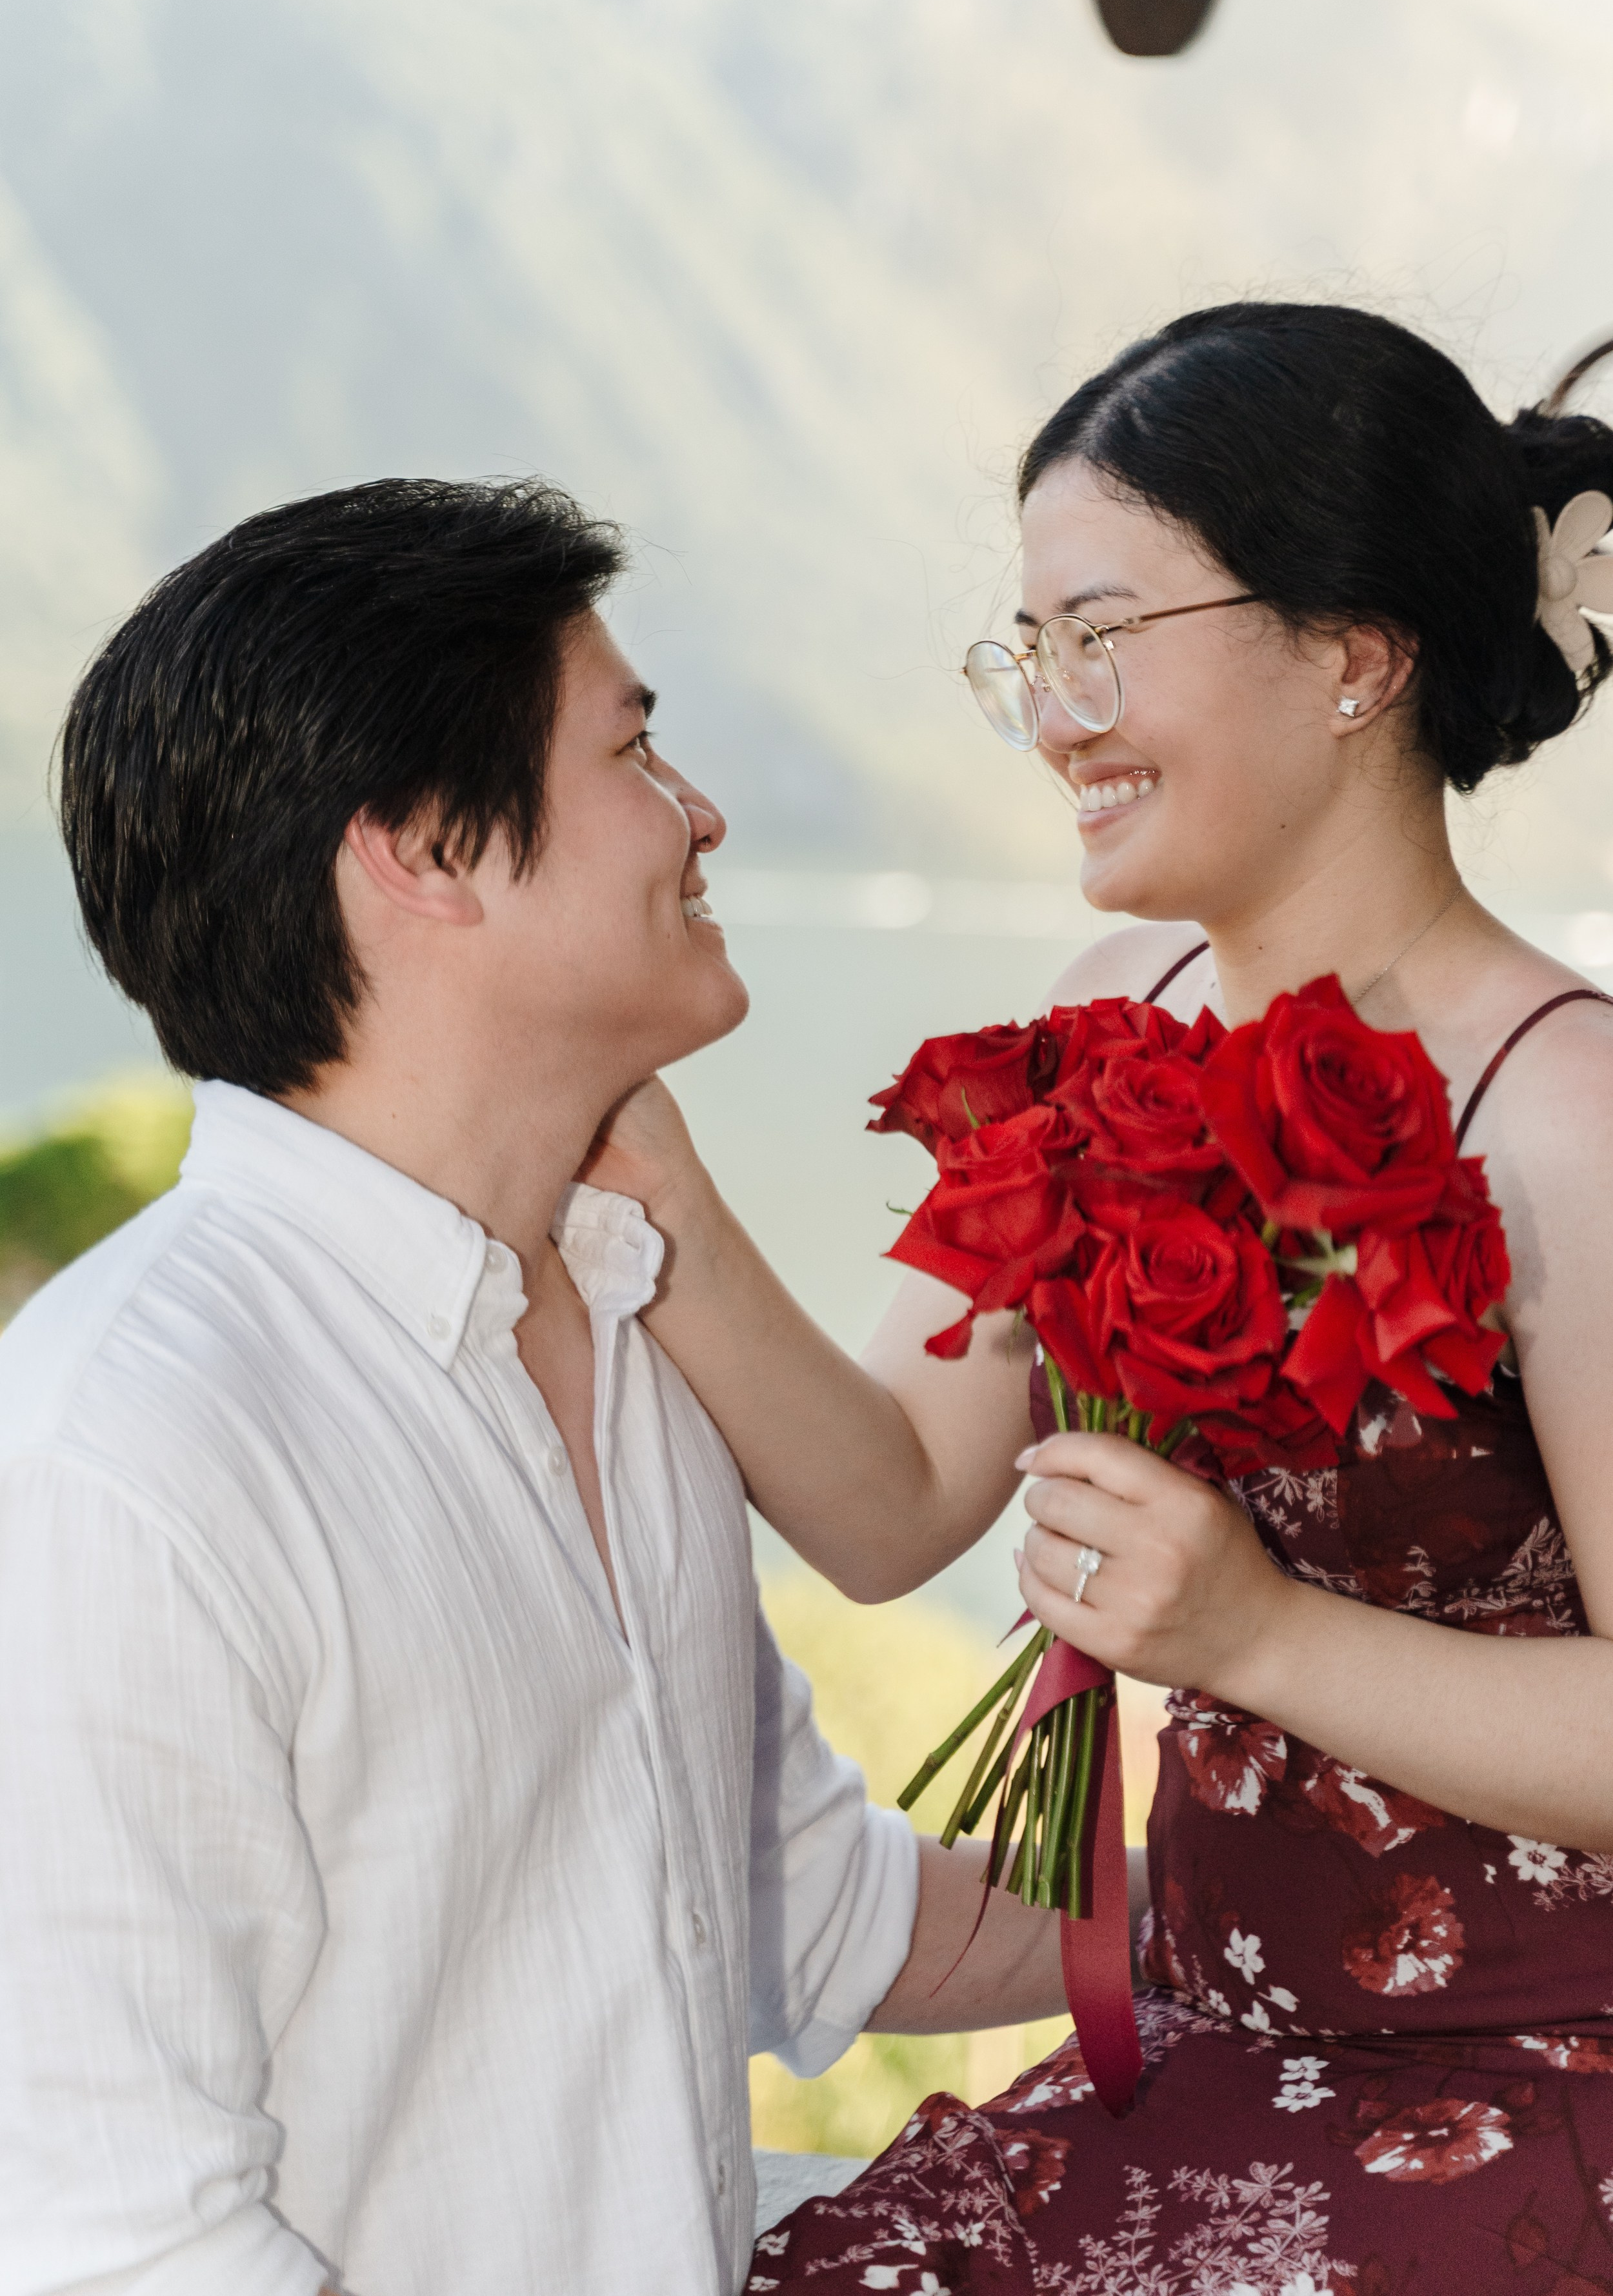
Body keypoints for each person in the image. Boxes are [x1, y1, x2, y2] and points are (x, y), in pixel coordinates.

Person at [584, 304, 1613, 2290]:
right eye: (1030, 652)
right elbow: (887, 1503)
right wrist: (643, 1164)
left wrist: (1248, 1629)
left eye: (1102, 633)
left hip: (1528, 2082)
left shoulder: (1563, 1111)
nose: (1053, 713)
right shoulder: (1100, 1031)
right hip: (1204, 2058)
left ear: (1351, 656)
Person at [0, 478, 1069, 2296]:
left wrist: (1381, 1905)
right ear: (422, 848)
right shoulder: (125, 1457)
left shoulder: (622, 1325)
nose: (700, 813)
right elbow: (119, 2244)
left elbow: (812, 1911)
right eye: (635, 751)